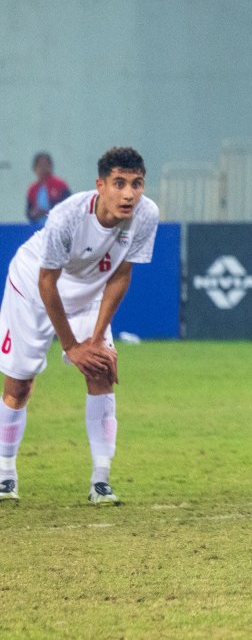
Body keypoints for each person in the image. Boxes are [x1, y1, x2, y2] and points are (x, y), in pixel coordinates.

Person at [0, 147, 159, 504]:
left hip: (88, 291)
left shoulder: (147, 215)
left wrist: (97, 338)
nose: (129, 193)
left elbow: (121, 274)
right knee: (20, 384)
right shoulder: (67, 217)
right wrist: (73, 347)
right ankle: (5, 473)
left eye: (136, 184)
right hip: (31, 287)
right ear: (100, 185)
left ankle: (101, 481)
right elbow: (46, 283)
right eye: (119, 183)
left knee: (100, 370)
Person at [26, 152, 72, 228]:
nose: (43, 168)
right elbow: (28, 212)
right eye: (40, 165)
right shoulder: (32, 189)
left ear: (51, 166)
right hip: (37, 228)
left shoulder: (60, 185)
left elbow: (69, 207)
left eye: (45, 165)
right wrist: (33, 213)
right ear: (34, 168)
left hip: (58, 227)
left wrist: (47, 212)